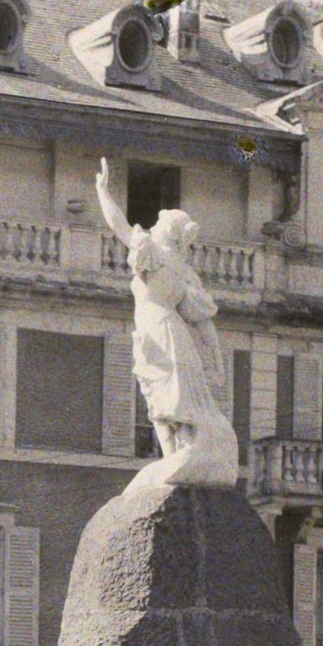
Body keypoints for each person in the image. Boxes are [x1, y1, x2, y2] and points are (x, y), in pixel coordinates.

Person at [95, 156, 238, 489]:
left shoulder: (152, 252)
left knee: (159, 398)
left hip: (155, 332)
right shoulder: (183, 272)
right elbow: (203, 323)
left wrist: (103, 191)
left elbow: (119, 226)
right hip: (176, 335)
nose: (153, 227)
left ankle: (171, 458)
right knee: (177, 400)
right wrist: (216, 360)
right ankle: (178, 457)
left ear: (165, 231)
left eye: (159, 224)